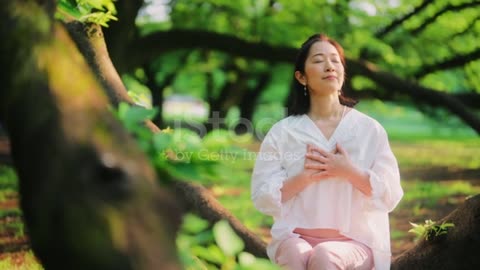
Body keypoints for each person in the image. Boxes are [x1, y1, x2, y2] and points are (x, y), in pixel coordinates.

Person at [251, 33, 403, 270]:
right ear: (301, 77)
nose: (329, 66)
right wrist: (304, 177)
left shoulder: (368, 130)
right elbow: (262, 196)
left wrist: (348, 171)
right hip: (295, 237)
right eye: (319, 60)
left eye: (335, 60)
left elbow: (390, 195)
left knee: (324, 255)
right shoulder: (283, 132)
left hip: (356, 243)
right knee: (294, 252)